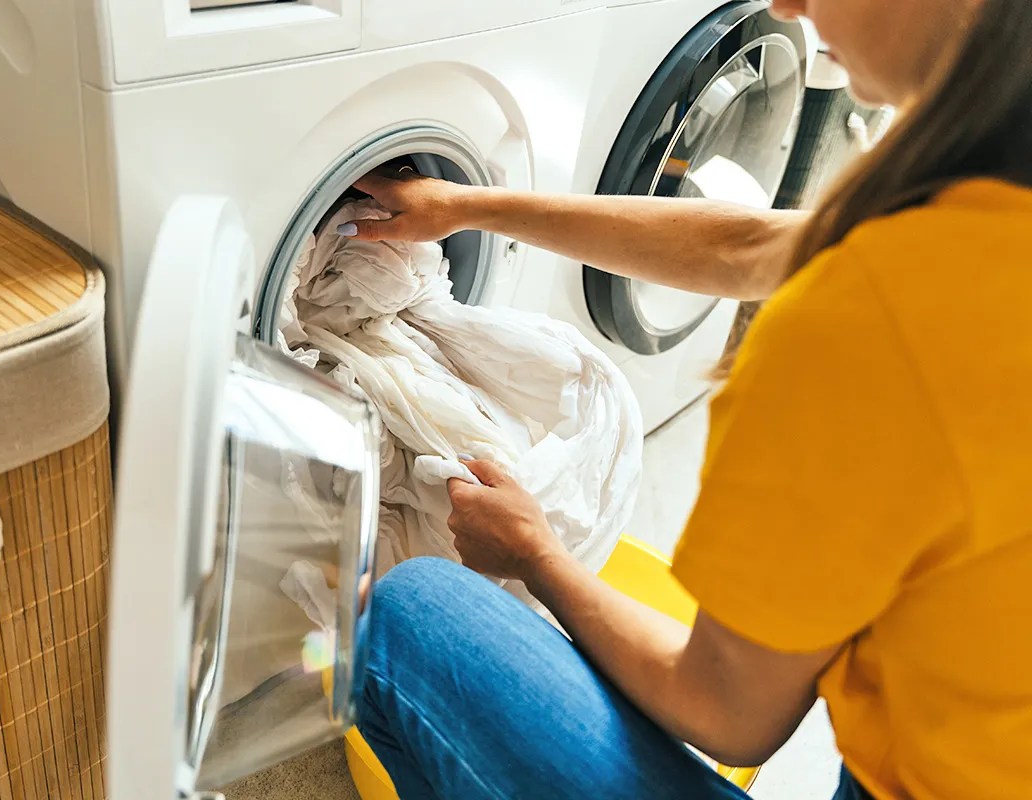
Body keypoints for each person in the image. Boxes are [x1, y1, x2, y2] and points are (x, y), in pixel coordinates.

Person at [341, 0, 1032, 798]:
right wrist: (467, 207)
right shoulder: (973, 210)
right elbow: (750, 246)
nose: (787, 7)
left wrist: (536, 558)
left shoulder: (873, 319)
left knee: (409, 616)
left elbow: (729, 712)